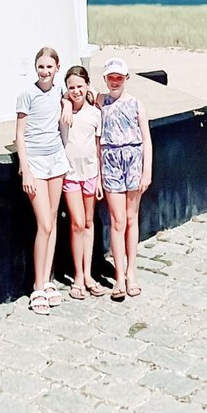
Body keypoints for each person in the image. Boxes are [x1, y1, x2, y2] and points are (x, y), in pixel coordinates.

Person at [15, 46, 69, 314]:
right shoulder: (27, 95)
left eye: (49, 67)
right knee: (44, 223)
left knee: (53, 220)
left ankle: (48, 280)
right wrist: (25, 168)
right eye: (41, 67)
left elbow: (76, 96)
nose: (45, 71)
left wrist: (68, 103)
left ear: (57, 67)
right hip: (35, 162)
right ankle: (37, 286)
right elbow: (20, 134)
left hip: (56, 160)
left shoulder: (59, 92)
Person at [97, 56, 153, 301]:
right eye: (111, 77)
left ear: (126, 79)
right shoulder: (101, 102)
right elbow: (74, 93)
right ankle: (119, 275)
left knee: (131, 218)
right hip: (110, 159)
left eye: (119, 77)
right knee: (116, 220)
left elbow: (146, 138)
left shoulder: (137, 104)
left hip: (133, 159)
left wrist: (147, 170)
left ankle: (132, 271)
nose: (115, 81)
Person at [60, 65, 106, 299]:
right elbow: (60, 98)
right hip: (70, 174)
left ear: (87, 85)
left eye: (80, 86)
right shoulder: (64, 109)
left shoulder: (95, 113)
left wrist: (98, 178)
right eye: (71, 87)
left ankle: (88, 274)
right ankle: (78, 275)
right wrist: (67, 102)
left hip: (89, 173)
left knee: (88, 223)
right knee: (76, 223)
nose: (76, 91)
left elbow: (98, 147)